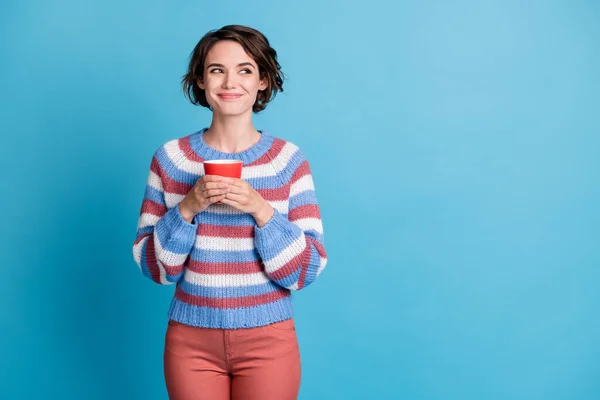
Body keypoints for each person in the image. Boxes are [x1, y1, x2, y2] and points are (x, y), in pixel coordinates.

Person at [132, 25, 328, 400]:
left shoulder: (288, 161)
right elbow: (154, 269)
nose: (229, 82)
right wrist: (188, 207)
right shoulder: (171, 159)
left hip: (269, 339)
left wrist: (260, 210)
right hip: (190, 342)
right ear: (201, 82)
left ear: (264, 82)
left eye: (245, 69)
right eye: (216, 69)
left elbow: (306, 270)